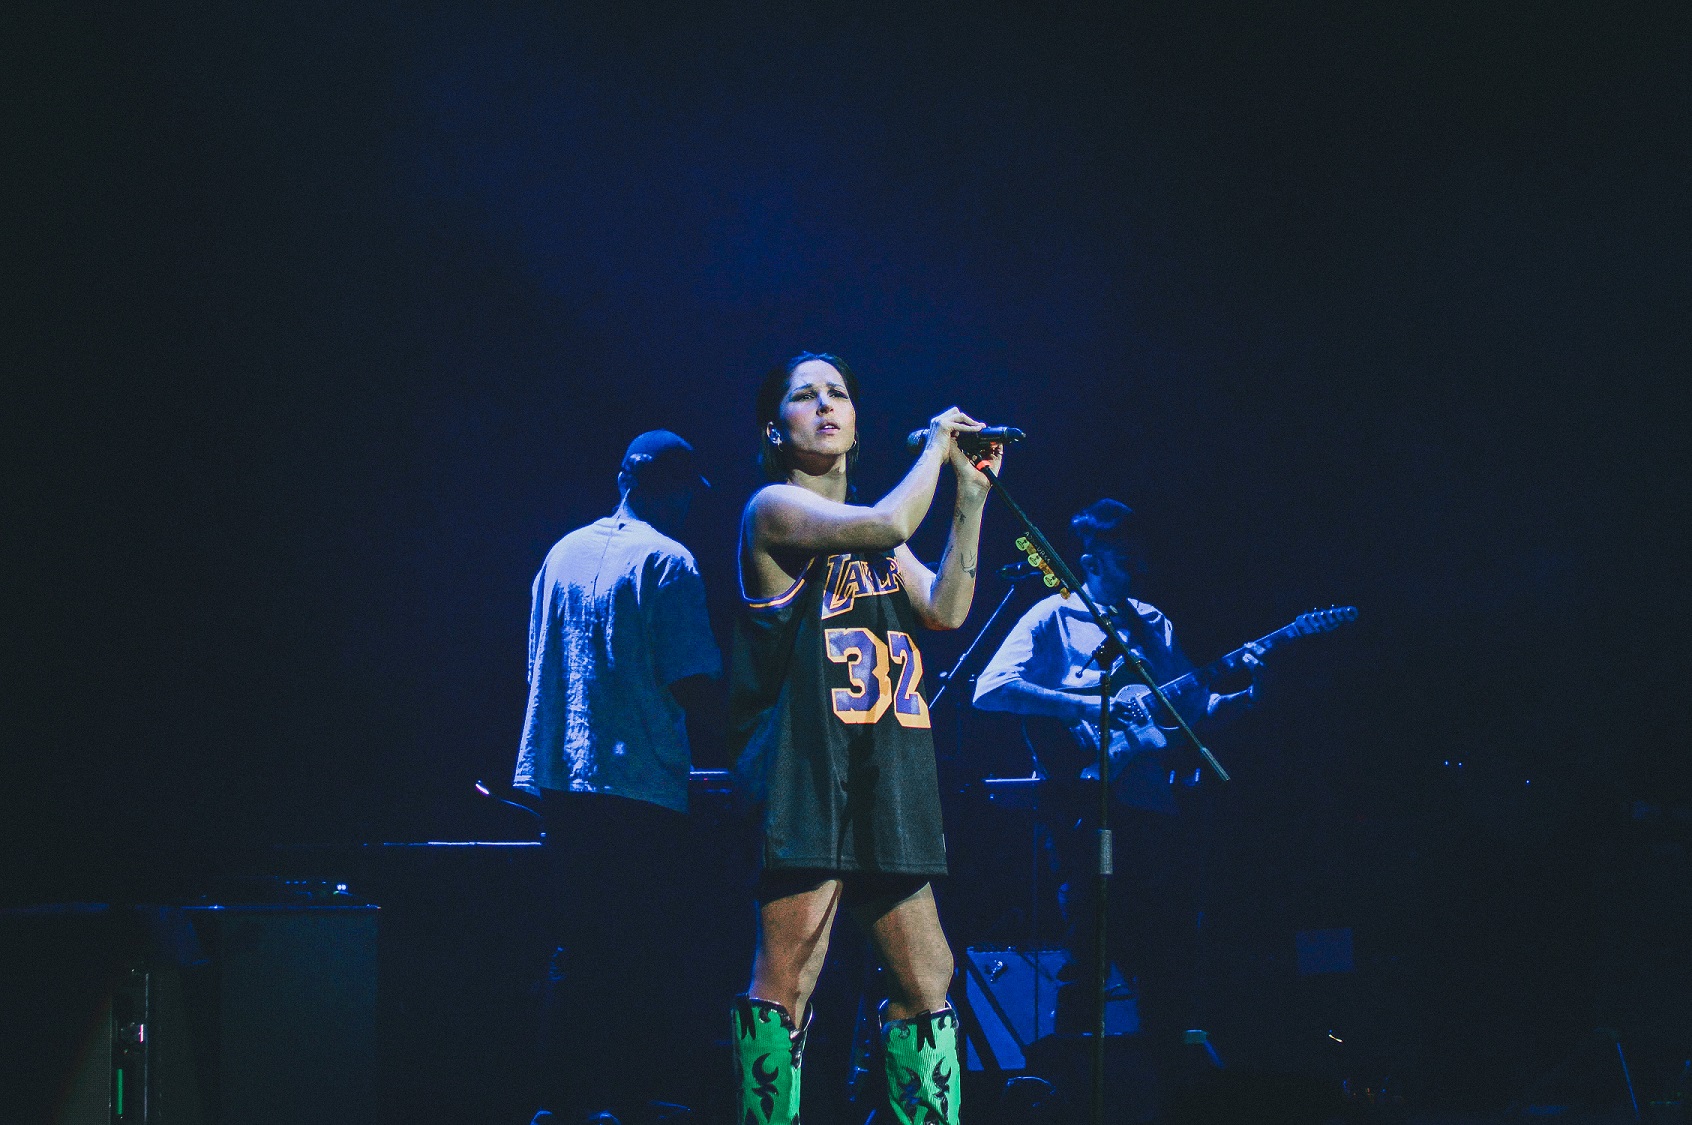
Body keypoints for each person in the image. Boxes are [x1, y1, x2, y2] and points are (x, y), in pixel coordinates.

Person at [727, 352, 1003, 1125]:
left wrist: (970, 498)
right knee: (789, 978)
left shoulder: (884, 541)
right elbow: (887, 519)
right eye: (805, 395)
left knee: (929, 979)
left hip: (886, 773)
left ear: (856, 423)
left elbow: (945, 609)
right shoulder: (772, 510)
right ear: (773, 429)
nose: (825, 405)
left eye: (838, 394)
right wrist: (936, 448)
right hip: (808, 776)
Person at [972, 499, 1264, 1046]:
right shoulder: (1053, 615)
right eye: (1123, 554)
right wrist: (1087, 707)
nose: (1137, 562)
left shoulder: (1153, 623)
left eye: (1138, 552)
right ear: (1091, 560)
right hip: (1085, 807)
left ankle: (1165, 1069)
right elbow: (990, 690)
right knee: (1090, 938)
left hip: (1154, 808)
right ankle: (1074, 1071)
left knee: (1167, 946)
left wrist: (1249, 694)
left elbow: (1195, 711)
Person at [512, 430, 722, 1125]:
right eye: (687, 492)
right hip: (640, 789)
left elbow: (539, 665)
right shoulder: (670, 561)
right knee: (641, 953)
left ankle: (560, 1103)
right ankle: (629, 1100)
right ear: (676, 489)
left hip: (563, 779)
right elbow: (691, 679)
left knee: (577, 948)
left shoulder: (560, 553)